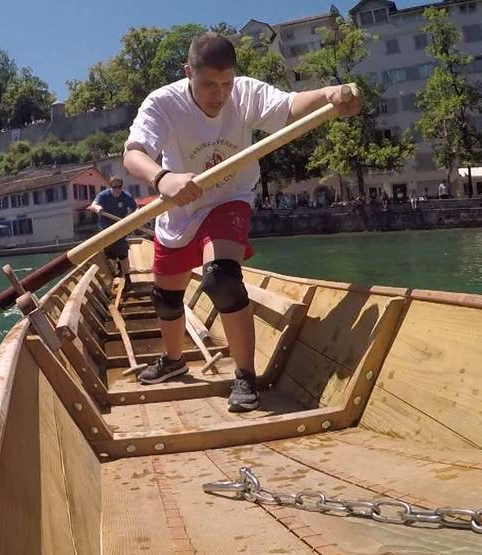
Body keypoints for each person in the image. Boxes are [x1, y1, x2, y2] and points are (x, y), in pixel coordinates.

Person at [122, 32, 361, 412]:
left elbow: (289, 106)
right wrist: (162, 179)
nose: (219, 95)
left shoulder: (245, 93)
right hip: (179, 206)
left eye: (226, 84)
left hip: (230, 198)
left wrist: (328, 94)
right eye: (208, 85)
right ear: (188, 73)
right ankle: (173, 361)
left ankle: (245, 376)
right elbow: (134, 154)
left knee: (222, 278)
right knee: (166, 299)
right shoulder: (163, 104)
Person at [89, 177, 137, 281]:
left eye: (119, 187)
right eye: (114, 187)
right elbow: (93, 205)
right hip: (106, 229)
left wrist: (130, 216)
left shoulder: (126, 196)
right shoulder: (103, 195)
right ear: (110, 187)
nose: (117, 189)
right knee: (110, 255)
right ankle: (113, 274)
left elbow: (135, 209)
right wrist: (97, 208)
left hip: (120, 228)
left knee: (123, 254)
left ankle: (127, 277)